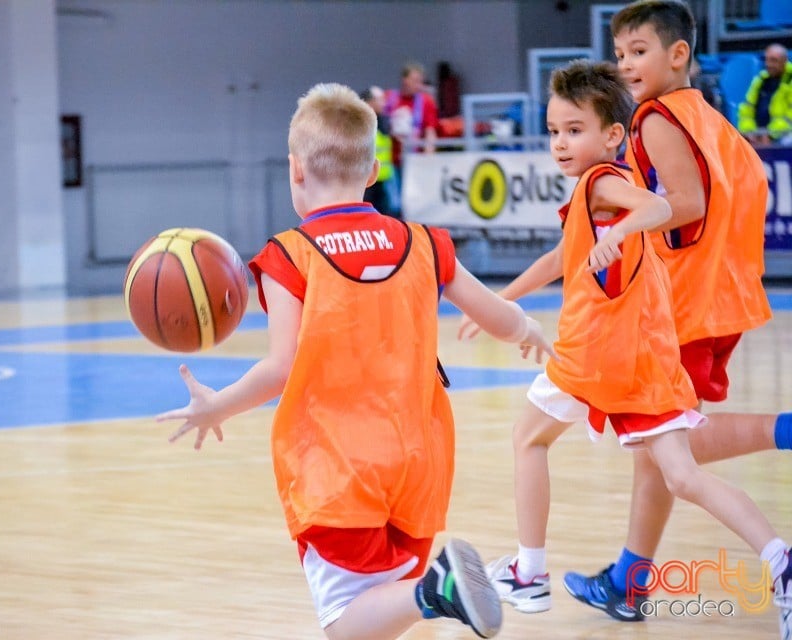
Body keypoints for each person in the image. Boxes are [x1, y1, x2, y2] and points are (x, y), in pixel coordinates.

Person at [154, 82, 556, 640]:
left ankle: (434, 588)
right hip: (419, 462)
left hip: (337, 467)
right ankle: (433, 590)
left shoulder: (288, 255)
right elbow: (497, 315)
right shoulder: (425, 243)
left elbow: (280, 367)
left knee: (348, 622)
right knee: (383, 614)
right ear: (373, 172)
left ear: (296, 170)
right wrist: (530, 328)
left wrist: (215, 408)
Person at [465, 57, 792, 637]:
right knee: (683, 476)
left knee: (527, 439)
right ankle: (780, 562)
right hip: (645, 367)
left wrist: (620, 232)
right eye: (554, 131)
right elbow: (560, 258)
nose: (560, 144)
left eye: (574, 131)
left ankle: (529, 573)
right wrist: (502, 299)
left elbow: (663, 208)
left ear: (612, 136)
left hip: (593, 358)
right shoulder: (599, 192)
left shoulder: (602, 182)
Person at [544, 3, 790, 633]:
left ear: (677, 55)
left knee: (666, 448)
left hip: (679, 305)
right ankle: (630, 581)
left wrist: (622, 231)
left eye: (638, 51)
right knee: (654, 451)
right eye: (620, 52)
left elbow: (682, 203)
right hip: (718, 299)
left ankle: (785, 437)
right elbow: (752, 184)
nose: (625, 63)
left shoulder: (654, 118)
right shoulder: (712, 120)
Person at [385, 61, 440, 216]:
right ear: (405, 80)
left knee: (413, 202)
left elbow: (430, 131)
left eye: (420, 81)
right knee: (393, 204)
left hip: (414, 161)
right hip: (390, 161)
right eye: (415, 80)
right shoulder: (390, 98)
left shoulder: (426, 102)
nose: (418, 85)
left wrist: (429, 157)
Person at [738, 43, 792, 146]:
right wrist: (750, 132)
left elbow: (790, 117)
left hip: (783, 134)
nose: (768, 64)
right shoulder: (760, 80)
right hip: (758, 135)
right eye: (766, 60)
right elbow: (746, 111)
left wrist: (771, 135)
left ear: (784, 61)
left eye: (773, 60)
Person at [359, 86, 397, 218]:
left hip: (384, 179)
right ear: (369, 102)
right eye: (380, 100)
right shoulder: (359, 123)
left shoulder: (383, 121)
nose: (384, 103)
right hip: (366, 181)